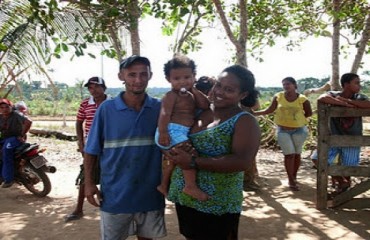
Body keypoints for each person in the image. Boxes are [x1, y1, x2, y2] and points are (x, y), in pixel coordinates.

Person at [167, 65, 261, 240]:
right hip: (186, 197)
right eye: (218, 85)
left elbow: (242, 161)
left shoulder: (244, 121)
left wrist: (193, 162)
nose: (219, 92)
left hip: (217, 201)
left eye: (229, 89)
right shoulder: (200, 111)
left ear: (243, 95)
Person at [83, 55, 167, 240]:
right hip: (115, 195)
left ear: (150, 75)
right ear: (121, 76)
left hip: (150, 193)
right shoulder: (106, 109)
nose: (138, 80)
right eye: (132, 75)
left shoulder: (159, 108)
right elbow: (91, 150)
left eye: (143, 74)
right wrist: (89, 183)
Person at [155, 55, 210, 201]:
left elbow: (205, 105)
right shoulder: (171, 96)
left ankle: (163, 185)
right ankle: (190, 186)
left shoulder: (191, 95)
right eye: (177, 79)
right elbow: (164, 113)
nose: (183, 81)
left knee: (174, 160)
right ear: (169, 79)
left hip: (179, 132)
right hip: (171, 131)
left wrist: (195, 90)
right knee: (189, 155)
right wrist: (163, 132)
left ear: (194, 77)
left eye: (187, 77)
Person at [254, 77, 312, 191]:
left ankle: (294, 176)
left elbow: (308, 113)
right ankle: (291, 179)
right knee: (289, 154)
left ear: (295, 85)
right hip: (283, 130)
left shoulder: (302, 99)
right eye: (284, 84)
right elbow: (270, 110)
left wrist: (296, 119)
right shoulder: (278, 96)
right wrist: (254, 113)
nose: (286, 86)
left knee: (297, 153)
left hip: (299, 130)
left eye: (288, 84)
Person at [64, 76, 109, 222]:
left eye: (96, 86)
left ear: (104, 87)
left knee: (109, 176)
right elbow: (79, 123)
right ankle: (78, 210)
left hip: (109, 146)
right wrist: (81, 143)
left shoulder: (112, 103)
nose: (93, 90)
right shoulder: (85, 104)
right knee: (86, 175)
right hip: (91, 146)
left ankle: (108, 208)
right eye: (90, 87)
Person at [318, 73, 370, 194]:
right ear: (346, 84)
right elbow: (321, 98)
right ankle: (341, 182)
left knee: (349, 168)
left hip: (353, 139)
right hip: (333, 138)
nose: (359, 85)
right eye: (356, 83)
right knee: (317, 159)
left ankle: (343, 193)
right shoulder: (333, 95)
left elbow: (368, 104)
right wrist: (344, 104)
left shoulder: (360, 97)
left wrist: (346, 100)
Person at [0, 98, 32, 188]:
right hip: (5, 138)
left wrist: (22, 134)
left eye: (6, 107)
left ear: (11, 107)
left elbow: (28, 121)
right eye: (2, 107)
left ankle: (9, 179)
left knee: (6, 151)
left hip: (15, 138)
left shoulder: (16, 114)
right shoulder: (0, 117)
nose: (4, 109)